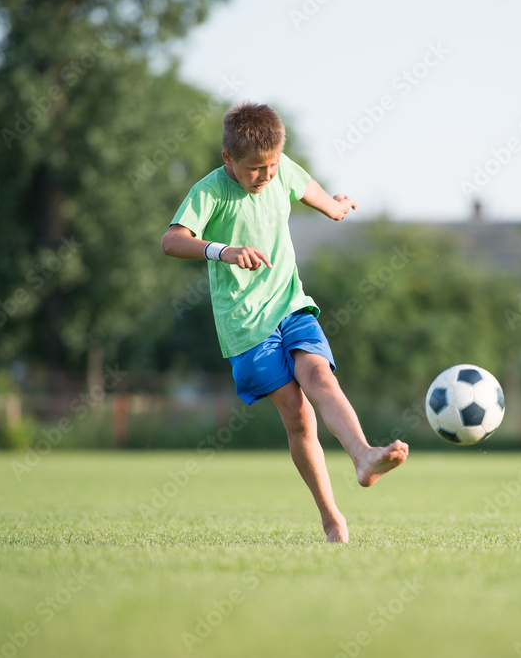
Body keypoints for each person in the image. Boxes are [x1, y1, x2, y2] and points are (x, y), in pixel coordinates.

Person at [161, 102, 408, 543]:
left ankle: (364, 455)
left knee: (319, 376)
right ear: (228, 160)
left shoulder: (280, 168)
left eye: (272, 165)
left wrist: (333, 207)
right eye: (255, 169)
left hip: (290, 303)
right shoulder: (211, 190)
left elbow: (302, 184)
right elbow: (172, 240)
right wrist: (224, 250)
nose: (267, 176)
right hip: (245, 326)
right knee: (298, 417)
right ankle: (331, 517)